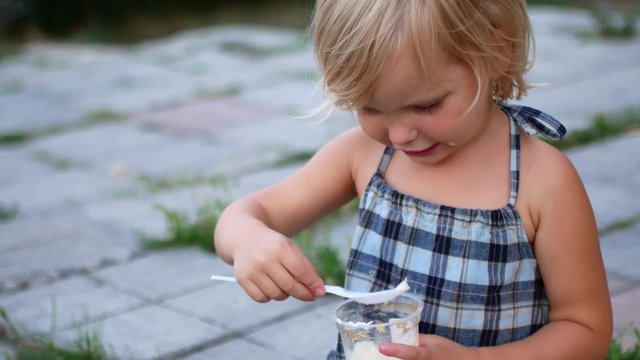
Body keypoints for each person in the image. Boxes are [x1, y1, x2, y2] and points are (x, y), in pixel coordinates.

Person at [214, 0, 613, 359]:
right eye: (370, 109)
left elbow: (586, 330)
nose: (400, 135)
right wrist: (249, 237)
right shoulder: (364, 155)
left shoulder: (541, 181)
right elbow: (247, 214)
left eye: (426, 105)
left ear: (496, 50)